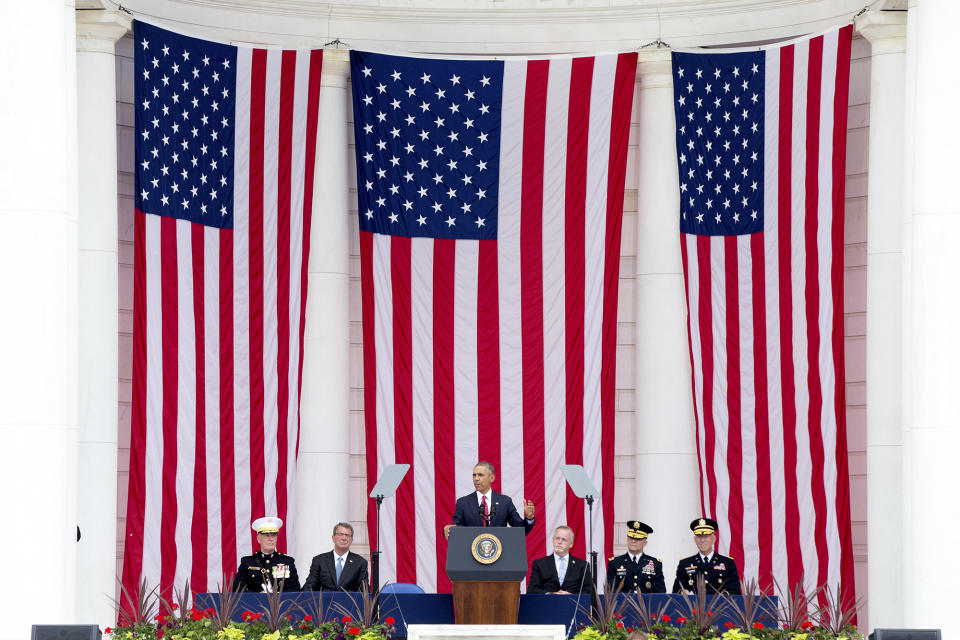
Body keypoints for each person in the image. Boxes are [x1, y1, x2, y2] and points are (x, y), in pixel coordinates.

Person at [443, 462, 535, 538]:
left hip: (499, 554)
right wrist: (448, 529)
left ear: (492, 478)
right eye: (474, 475)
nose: (476, 479)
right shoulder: (463, 503)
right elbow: (457, 529)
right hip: (471, 554)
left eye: (480, 475)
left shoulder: (505, 501)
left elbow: (520, 530)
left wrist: (529, 518)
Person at [672, 517, 741, 595]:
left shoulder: (728, 563)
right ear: (695, 539)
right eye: (699, 536)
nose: (702, 540)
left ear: (714, 539)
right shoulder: (685, 563)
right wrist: (682, 592)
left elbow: (735, 590)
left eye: (706, 536)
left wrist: (721, 598)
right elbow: (676, 590)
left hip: (720, 606)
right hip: (694, 606)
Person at [232, 516, 301, 592]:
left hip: (281, 603)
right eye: (266, 536)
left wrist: (278, 595)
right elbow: (237, 590)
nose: (270, 539)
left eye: (273, 535)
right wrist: (258, 595)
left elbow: (295, 590)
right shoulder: (247, 562)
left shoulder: (287, 562)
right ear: (258, 539)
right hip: (255, 603)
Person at [303, 522, 370, 591]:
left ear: (351, 540)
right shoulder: (319, 560)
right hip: (323, 601)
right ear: (333, 538)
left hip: (349, 601)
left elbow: (363, 591)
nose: (344, 538)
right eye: (340, 534)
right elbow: (309, 586)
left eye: (347, 535)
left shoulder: (360, 562)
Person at [528, 525, 593, 594]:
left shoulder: (583, 565)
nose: (559, 542)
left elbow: (589, 592)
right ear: (553, 540)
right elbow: (532, 590)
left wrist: (571, 595)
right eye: (557, 538)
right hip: (547, 603)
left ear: (571, 544)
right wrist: (551, 594)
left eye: (564, 539)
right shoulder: (540, 564)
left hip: (573, 604)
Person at [606, 520, 665, 593]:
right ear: (627, 539)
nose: (633, 541)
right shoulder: (615, 563)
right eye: (631, 537)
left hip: (646, 604)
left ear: (645, 543)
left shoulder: (655, 564)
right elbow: (611, 592)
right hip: (622, 604)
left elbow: (660, 593)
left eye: (638, 539)